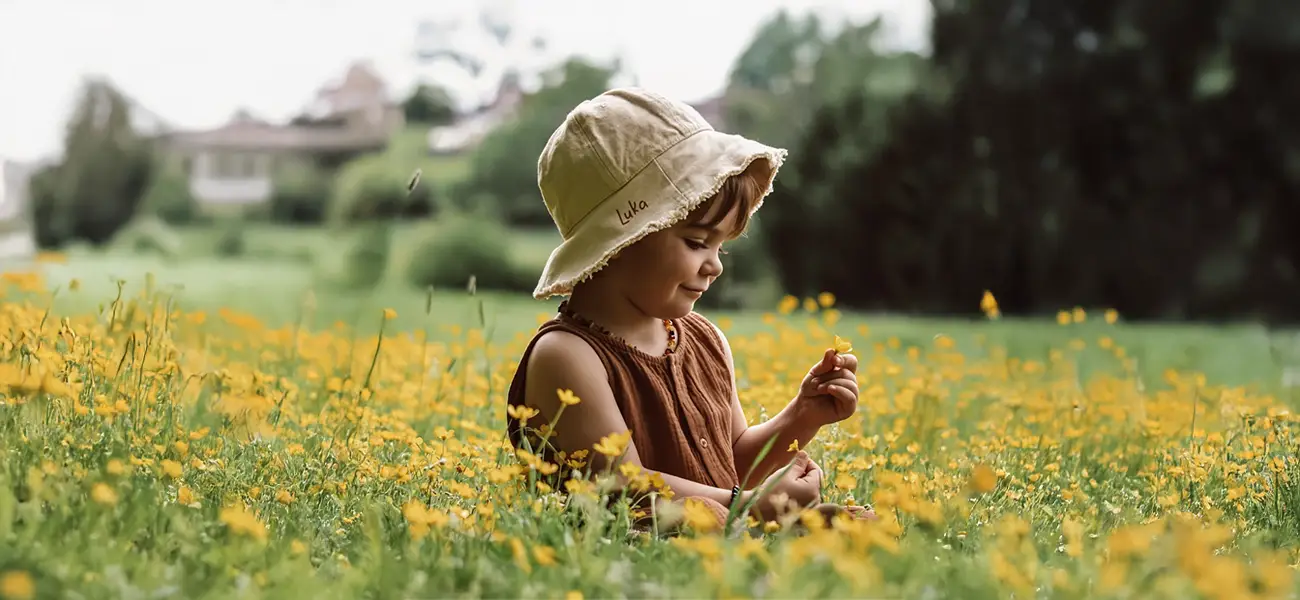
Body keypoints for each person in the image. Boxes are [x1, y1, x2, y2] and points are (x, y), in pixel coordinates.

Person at [505, 87, 873, 532]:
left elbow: (731, 461)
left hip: (725, 527)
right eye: (697, 242)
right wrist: (752, 508)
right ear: (623, 241)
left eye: (721, 245)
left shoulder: (703, 339)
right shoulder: (567, 355)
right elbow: (621, 489)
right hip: (632, 555)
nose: (715, 265)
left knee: (862, 529)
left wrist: (803, 415)